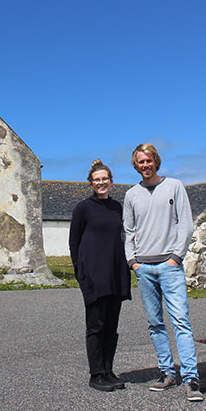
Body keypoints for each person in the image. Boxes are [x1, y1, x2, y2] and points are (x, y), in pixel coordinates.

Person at [123, 143, 203, 402]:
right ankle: (167, 372)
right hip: (144, 267)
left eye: (148, 160)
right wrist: (133, 262)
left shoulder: (174, 186)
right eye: (140, 162)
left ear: (156, 161)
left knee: (180, 320)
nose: (145, 165)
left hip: (169, 266)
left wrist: (175, 257)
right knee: (155, 323)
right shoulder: (131, 194)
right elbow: (129, 232)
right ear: (136, 165)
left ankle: (191, 377)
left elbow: (185, 224)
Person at [69, 159, 132, 392]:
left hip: (115, 274)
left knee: (111, 327)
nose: (101, 183)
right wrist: (81, 274)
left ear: (111, 181)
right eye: (97, 180)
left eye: (105, 179)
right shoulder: (83, 209)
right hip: (94, 277)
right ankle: (96, 374)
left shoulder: (118, 208)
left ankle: (108, 370)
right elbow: (74, 243)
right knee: (96, 326)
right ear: (91, 183)